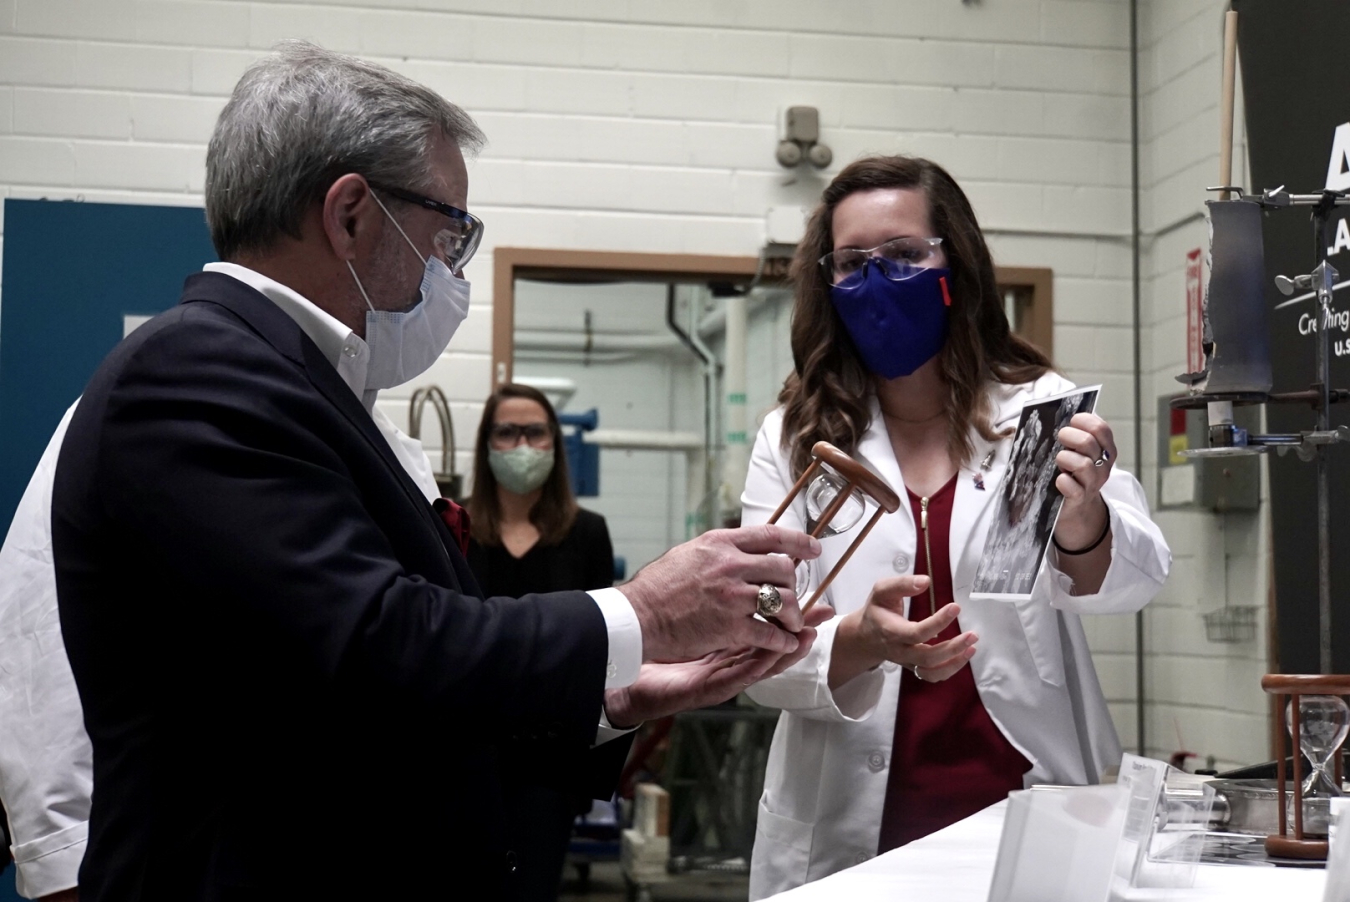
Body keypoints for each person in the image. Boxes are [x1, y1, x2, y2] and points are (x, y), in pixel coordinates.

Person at [48, 42, 827, 902]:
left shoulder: (308, 385)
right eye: (448, 231)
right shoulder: (195, 372)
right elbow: (379, 646)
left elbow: (402, 702)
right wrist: (642, 612)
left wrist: (619, 700)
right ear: (351, 214)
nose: (450, 267)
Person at [740, 155, 1171, 899]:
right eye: (852, 264)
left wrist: (1085, 517)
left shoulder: (1039, 410)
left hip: (1018, 803)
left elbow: (1137, 582)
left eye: (905, 256)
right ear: (826, 280)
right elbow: (753, 641)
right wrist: (855, 642)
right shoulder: (794, 438)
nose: (878, 282)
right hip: (849, 824)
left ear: (956, 262)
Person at [0, 399, 441, 902]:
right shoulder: (155, 399)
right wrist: (65, 859)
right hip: (193, 856)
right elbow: (41, 645)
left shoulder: (377, 435)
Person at [465, 383, 618, 901]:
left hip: (550, 762)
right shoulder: (454, 525)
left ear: (555, 441)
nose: (522, 445)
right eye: (506, 433)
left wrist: (590, 771)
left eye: (535, 432)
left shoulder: (587, 534)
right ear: (487, 445)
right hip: (467, 755)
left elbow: (607, 651)